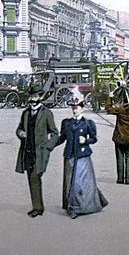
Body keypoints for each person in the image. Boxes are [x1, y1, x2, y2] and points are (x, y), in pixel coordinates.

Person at [50, 91, 108, 219]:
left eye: (76, 108)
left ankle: (77, 207)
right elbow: (62, 138)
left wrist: (85, 141)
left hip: (83, 156)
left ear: (82, 108)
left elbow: (94, 139)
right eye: (73, 108)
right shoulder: (66, 123)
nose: (74, 110)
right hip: (70, 155)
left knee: (80, 183)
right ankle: (73, 206)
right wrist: (49, 145)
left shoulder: (88, 123)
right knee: (71, 181)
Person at [15, 83, 57, 217]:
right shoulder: (25, 113)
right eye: (31, 97)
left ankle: (38, 208)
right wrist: (20, 133)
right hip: (27, 151)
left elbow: (55, 133)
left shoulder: (46, 113)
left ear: (40, 97)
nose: (32, 99)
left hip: (40, 152)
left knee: (35, 177)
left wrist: (48, 147)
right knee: (31, 179)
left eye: (35, 96)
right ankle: (36, 207)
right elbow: (19, 128)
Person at [105, 85, 129, 184]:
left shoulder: (120, 110)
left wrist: (110, 97)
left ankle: (120, 179)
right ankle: (128, 179)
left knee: (120, 158)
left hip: (119, 138)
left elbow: (108, 109)